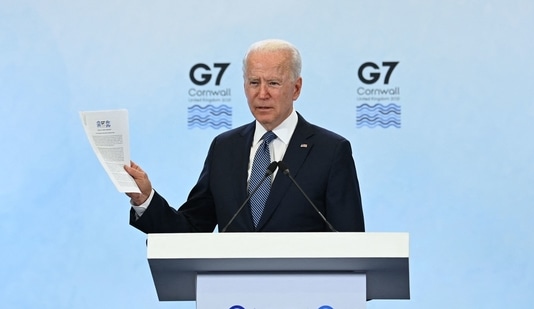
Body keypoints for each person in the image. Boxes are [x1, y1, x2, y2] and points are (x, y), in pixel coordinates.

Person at [125, 39, 365, 233]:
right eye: (253, 82)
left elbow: (350, 242)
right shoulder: (225, 148)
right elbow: (192, 230)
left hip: (306, 291)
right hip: (232, 291)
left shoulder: (330, 151)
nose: (262, 94)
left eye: (273, 83)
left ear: (296, 88)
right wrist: (146, 199)